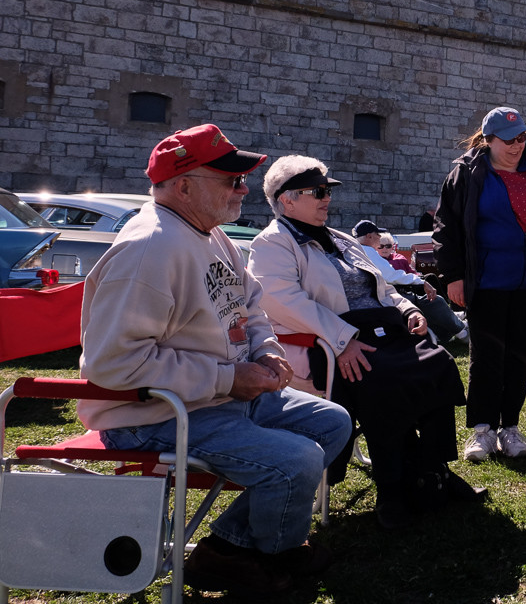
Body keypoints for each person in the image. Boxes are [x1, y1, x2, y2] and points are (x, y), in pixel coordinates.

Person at [77, 125, 353, 597]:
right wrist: (228, 378)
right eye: (230, 179)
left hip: (212, 398)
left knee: (332, 422)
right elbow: (114, 367)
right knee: (296, 459)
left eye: (242, 178)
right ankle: (261, 556)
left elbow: (250, 306)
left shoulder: (211, 235)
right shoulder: (149, 250)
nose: (244, 188)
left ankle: (230, 548)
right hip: (153, 414)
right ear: (184, 185)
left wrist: (265, 350)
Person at [246, 156, 484, 530]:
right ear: (287, 199)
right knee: (381, 381)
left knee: (438, 364)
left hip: (384, 330)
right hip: (327, 339)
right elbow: (283, 302)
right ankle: (390, 489)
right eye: (318, 192)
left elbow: (382, 288)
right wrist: (343, 340)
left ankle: (433, 469)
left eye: (327, 191)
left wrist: (407, 310)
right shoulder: (272, 244)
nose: (327, 199)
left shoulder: (341, 239)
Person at [433, 106, 526, 462]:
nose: (518, 146)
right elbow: (446, 228)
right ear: (488, 140)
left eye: (523, 137)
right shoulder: (466, 173)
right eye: (510, 140)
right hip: (485, 282)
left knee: (518, 357)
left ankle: (510, 427)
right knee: (486, 357)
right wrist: (453, 277)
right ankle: (483, 430)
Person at [354, 220, 468, 343]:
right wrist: (421, 282)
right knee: (434, 301)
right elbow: (391, 276)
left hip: (371, 296)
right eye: (378, 234)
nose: (380, 237)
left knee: (427, 299)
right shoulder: (368, 251)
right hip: (381, 298)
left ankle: (453, 328)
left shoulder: (356, 250)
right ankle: (462, 333)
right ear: (369, 236)